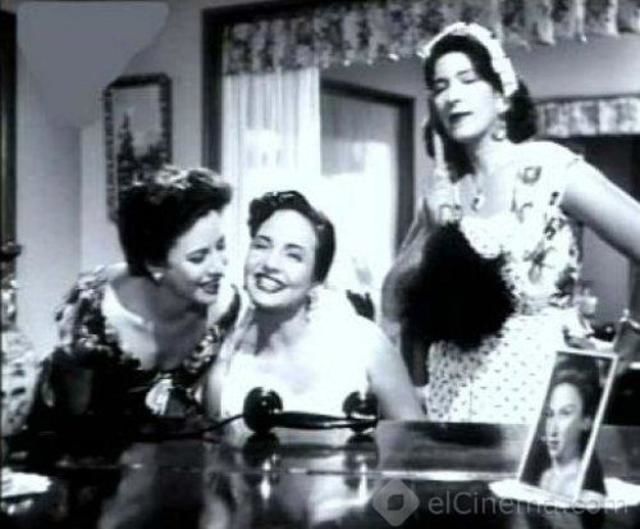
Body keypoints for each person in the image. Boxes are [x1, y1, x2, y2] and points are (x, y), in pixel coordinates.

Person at [381, 22, 640, 424]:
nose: (452, 96)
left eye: (468, 79)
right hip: (453, 394)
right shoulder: (445, 193)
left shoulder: (548, 167)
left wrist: (630, 341)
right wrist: (431, 227)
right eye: (440, 86)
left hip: (538, 389)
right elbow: (392, 305)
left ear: (502, 97)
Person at [39, 166, 238, 437]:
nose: (219, 267)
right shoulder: (94, 310)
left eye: (221, 246)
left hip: (175, 449)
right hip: (86, 444)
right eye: (198, 257)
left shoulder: (226, 307)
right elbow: (69, 418)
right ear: (155, 264)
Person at [206, 190, 423, 427]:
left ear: (316, 280)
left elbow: (415, 439)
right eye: (261, 246)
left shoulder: (364, 344)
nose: (270, 263)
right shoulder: (224, 350)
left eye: (293, 256)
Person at [537, 362, 604, 498]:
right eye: (550, 414)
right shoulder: (545, 477)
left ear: (586, 421)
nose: (552, 430)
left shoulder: (585, 485)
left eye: (565, 413)